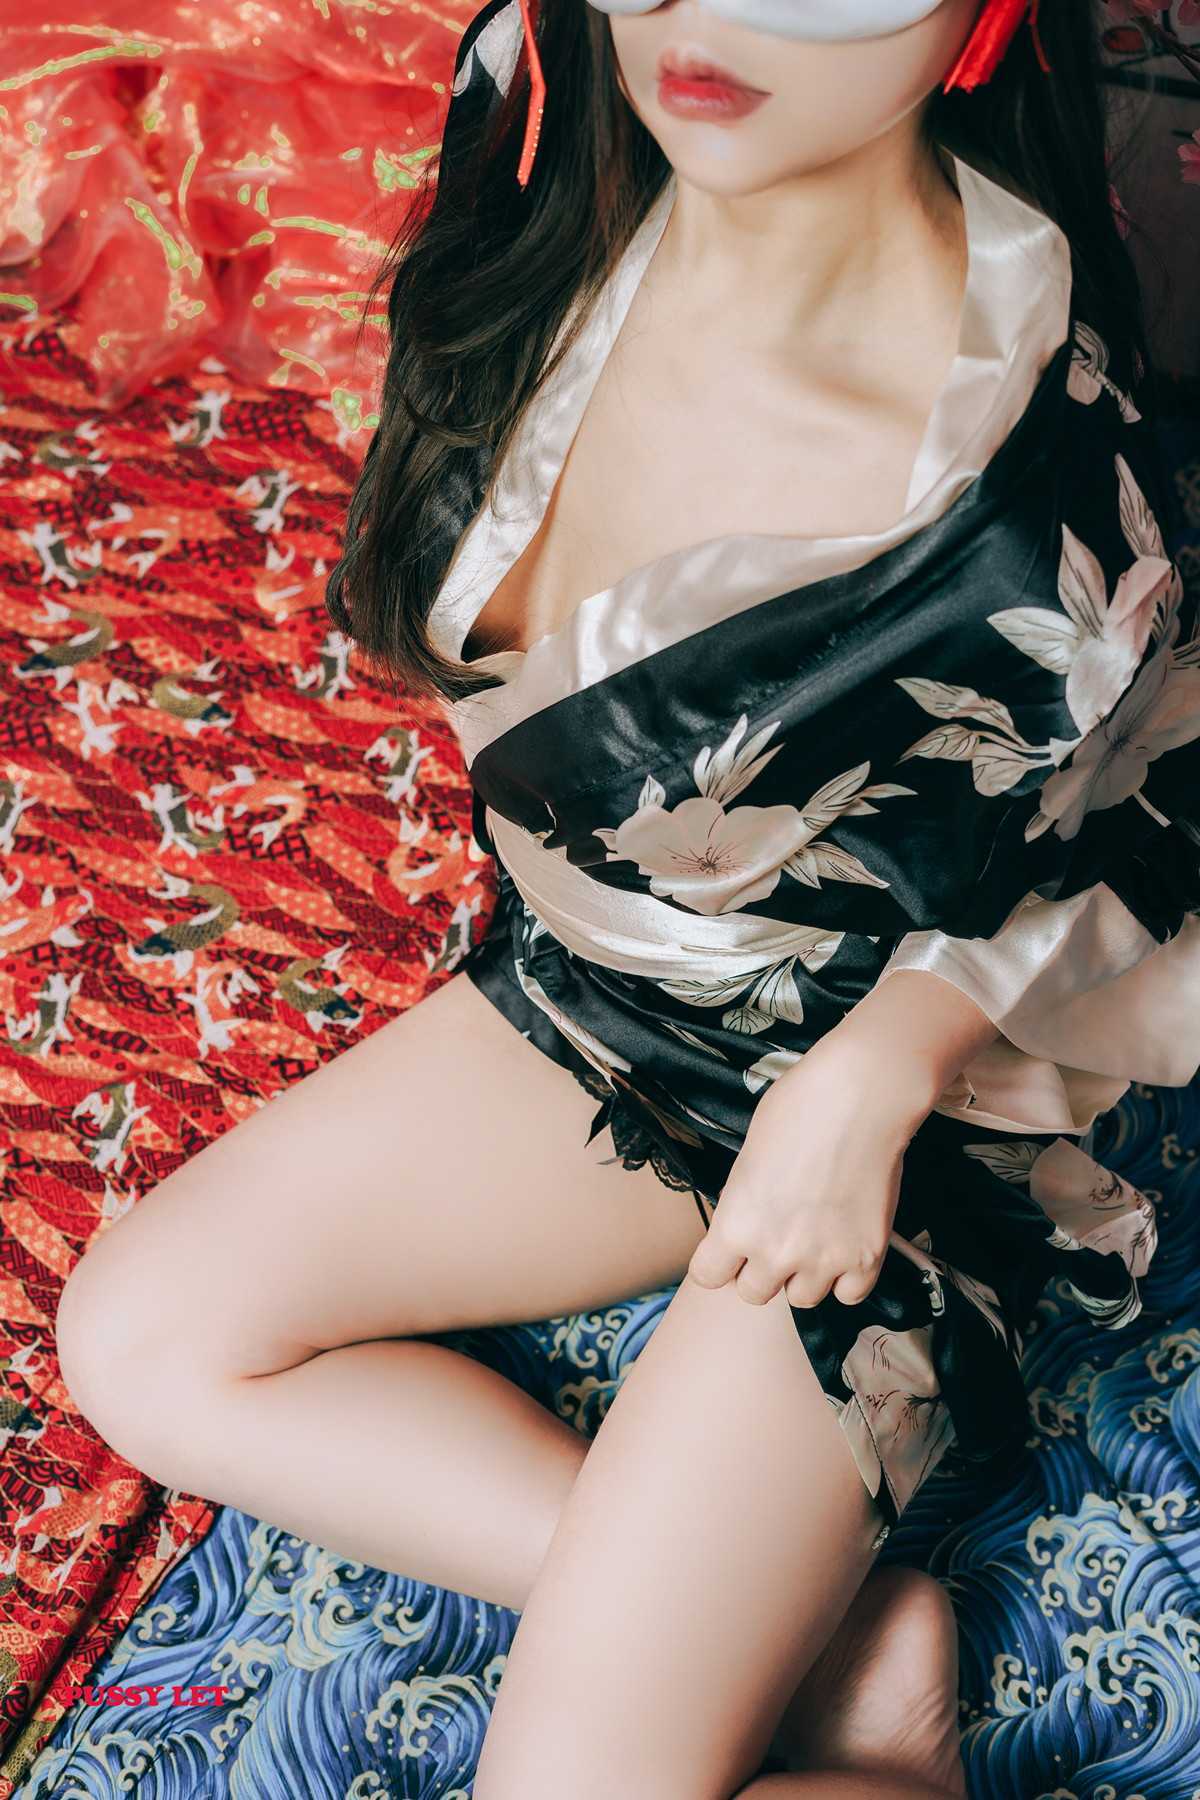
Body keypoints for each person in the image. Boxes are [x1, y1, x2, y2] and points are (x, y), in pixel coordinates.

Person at [54, 0, 1200, 1794]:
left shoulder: (1025, 473)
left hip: (880, 1143)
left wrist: (874, 1077)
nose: (702, 12)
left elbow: (1155, 815)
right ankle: (827, 1650)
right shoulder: (541, 124)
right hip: (594, 1000)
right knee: (141, 1336)